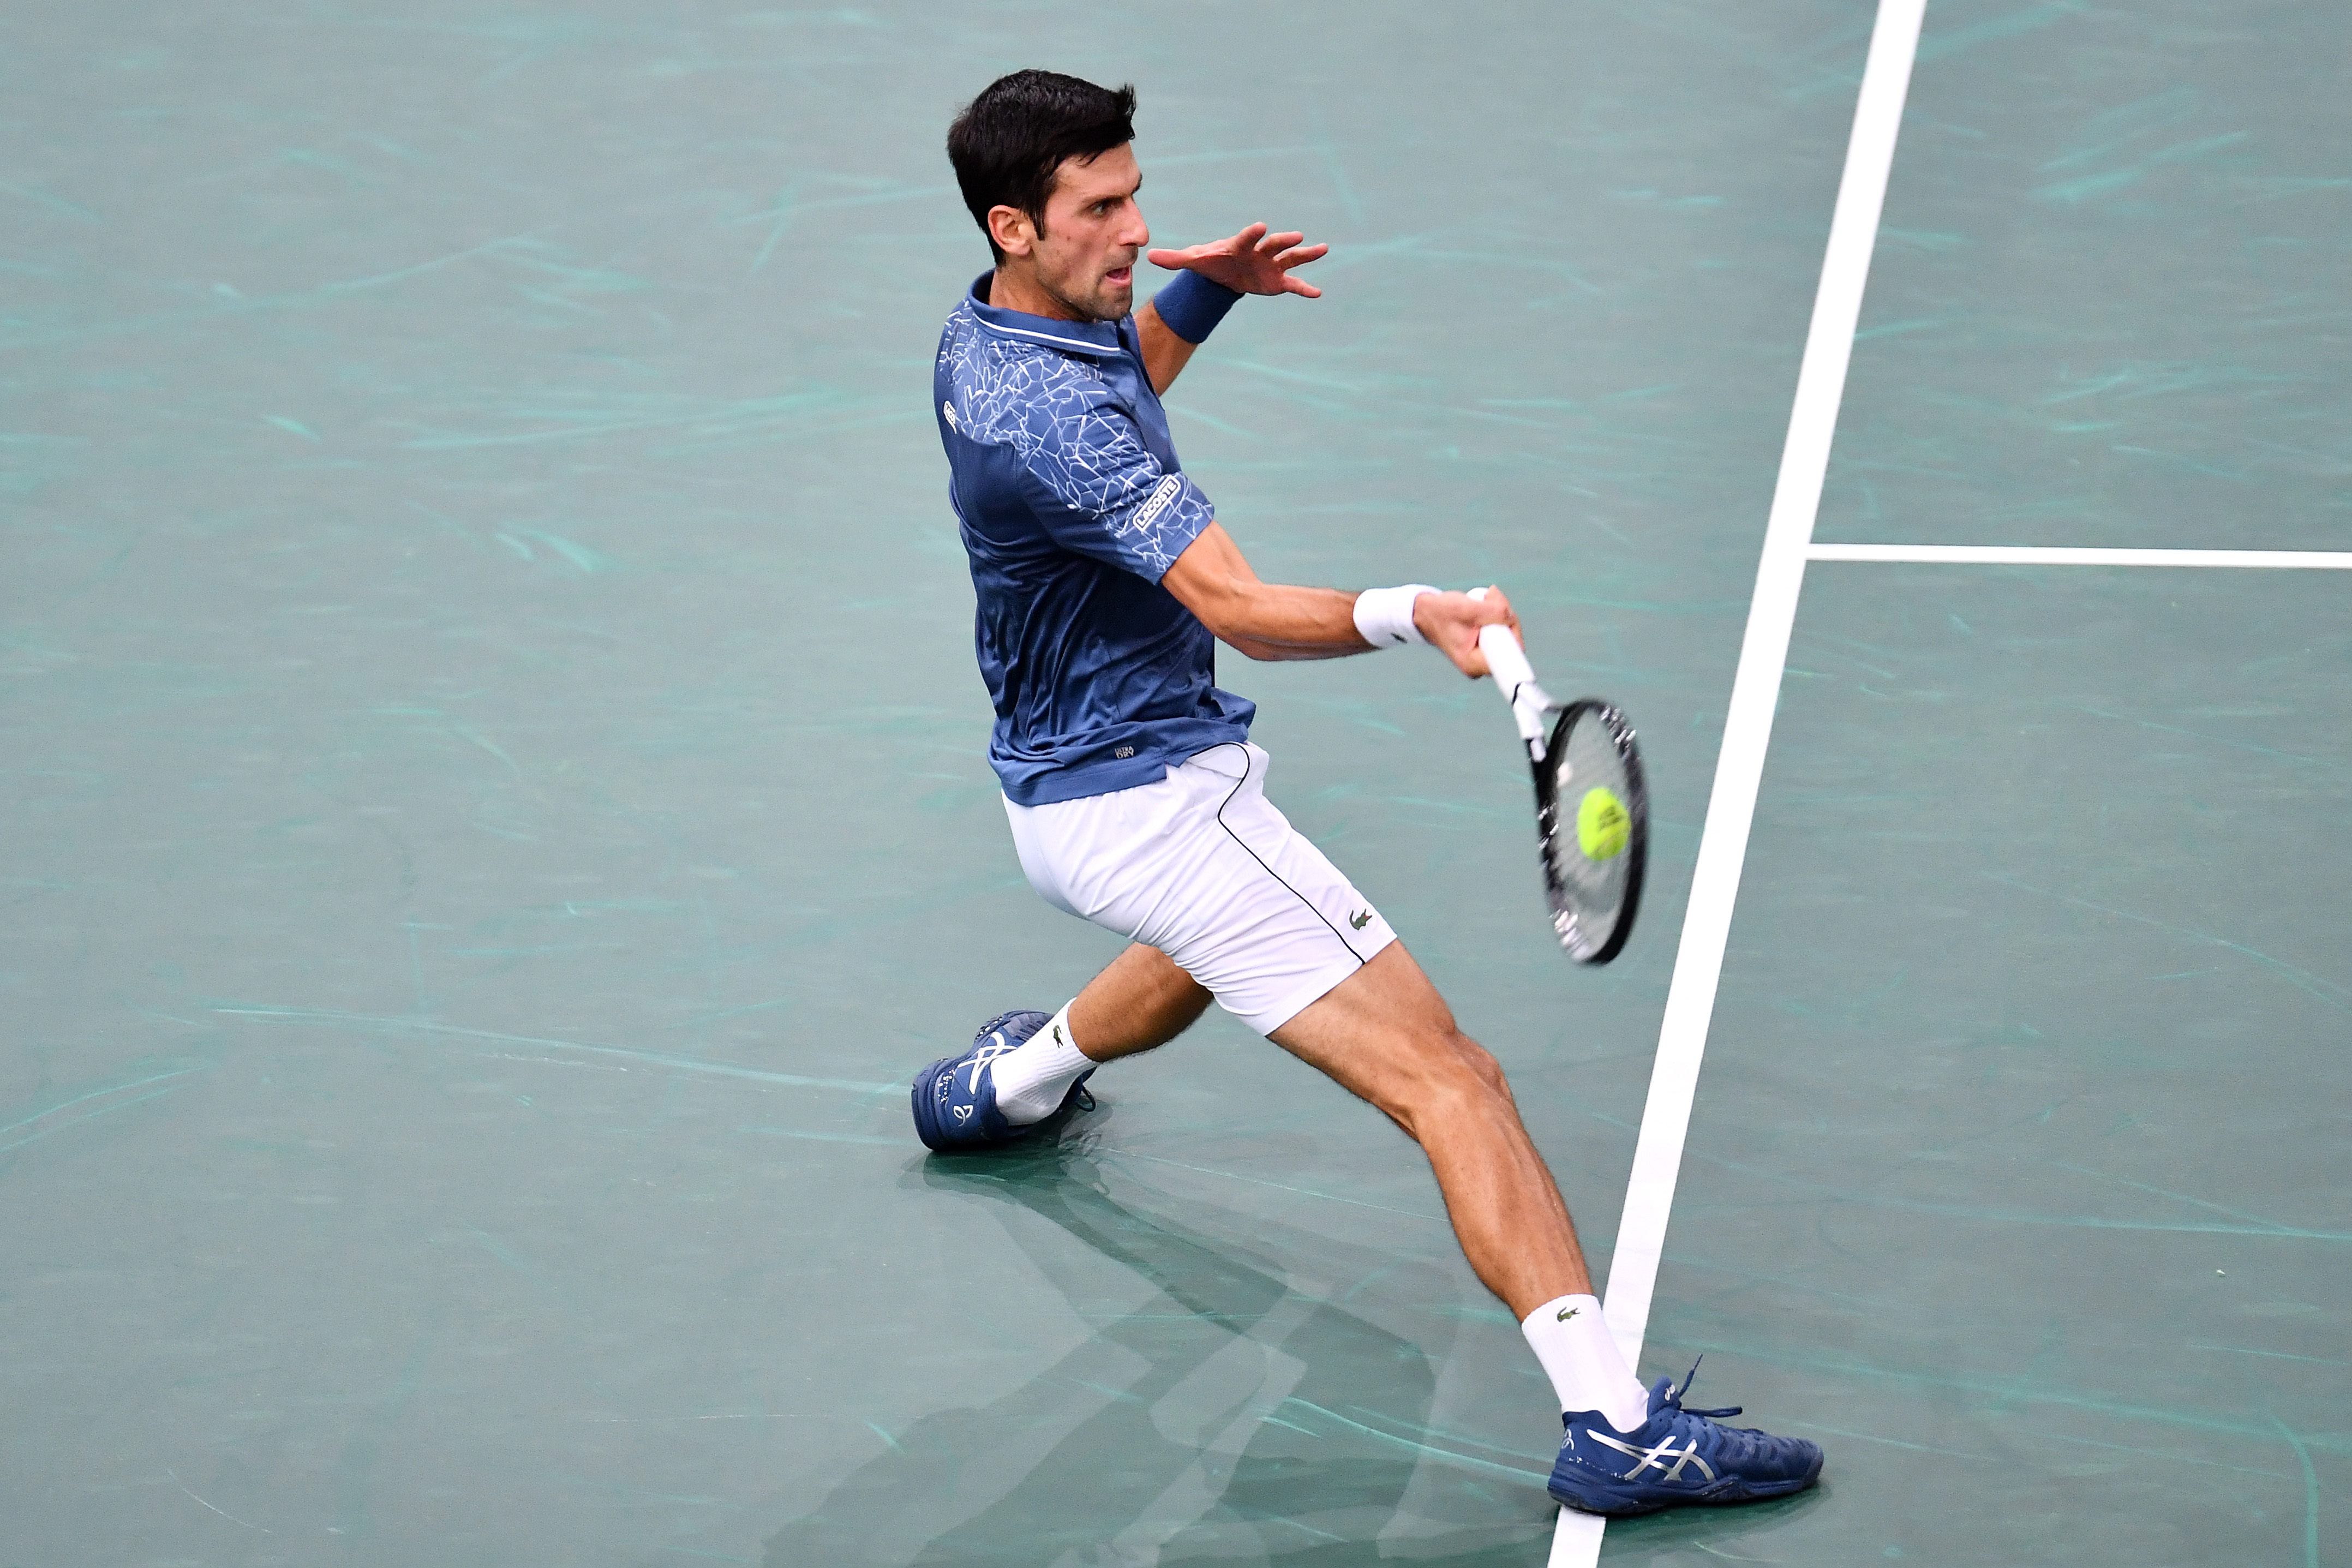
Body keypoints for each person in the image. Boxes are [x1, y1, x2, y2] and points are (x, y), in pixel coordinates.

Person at [912, 68, 1822, 1521]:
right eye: (1102, 209)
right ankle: (1615, 1421)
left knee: (1205, 954)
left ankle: (1002, 1089)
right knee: (1453, 1078)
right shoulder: (1058, 423)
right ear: (1016, 222)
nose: (1139, 226)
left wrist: (1199, 296)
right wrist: (1420, 611)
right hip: (1153, 800)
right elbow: (1246, 609)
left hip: (1062, 797)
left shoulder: (992, 335)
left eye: (1138, 192)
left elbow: (1117, 390)